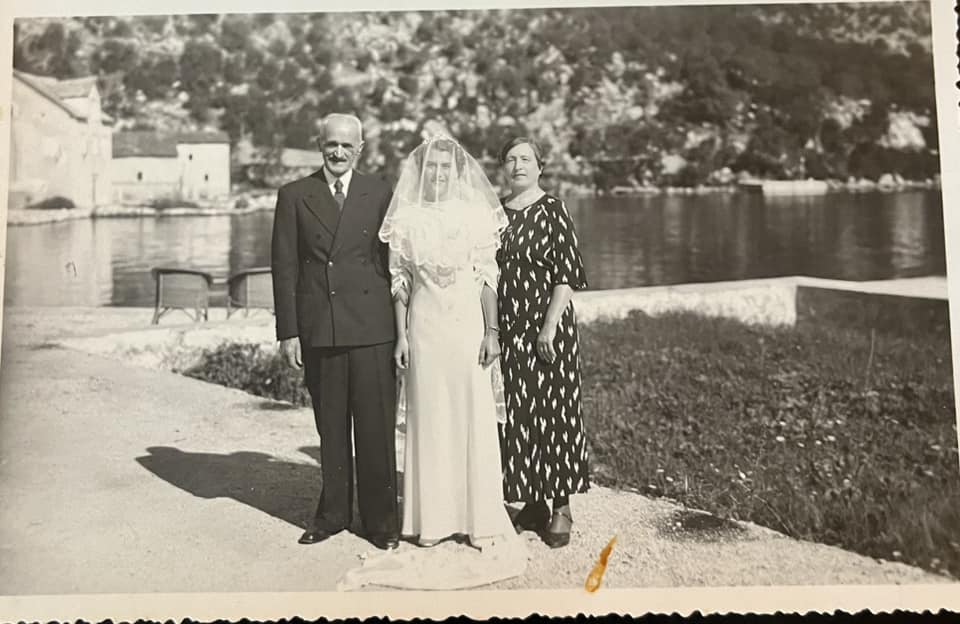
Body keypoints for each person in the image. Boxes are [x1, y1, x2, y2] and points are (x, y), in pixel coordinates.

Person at [335, 134, 526, 592]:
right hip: (424, 327)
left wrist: (492, 331)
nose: (438, 175)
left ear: (456, 172)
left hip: (465, 327)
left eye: (446, 168)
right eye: (431, 169)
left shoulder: (476, 214)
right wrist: (401, 336)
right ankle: (433, 520)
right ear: (421, 174)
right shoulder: (407, 219)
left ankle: (479, 518)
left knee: (472, 415)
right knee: (431, 419)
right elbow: (399, 280)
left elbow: (487, 277)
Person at [271, 113, 399, 551]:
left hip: (373, 328)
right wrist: (288, 333)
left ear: (360, 149)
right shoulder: (294, 195)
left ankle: (382, 522)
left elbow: (395, 264)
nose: (338, 152)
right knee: (331, 427)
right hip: (320, 329)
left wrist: (405, 330)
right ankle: (332, 515)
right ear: (319, 145)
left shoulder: (381, 192)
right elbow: (284, 268)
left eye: (347, 145)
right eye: (331, 144)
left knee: (376, 427)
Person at [495, 137, 589, 549]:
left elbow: (566, 275)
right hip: (510, 330)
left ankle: (561, 505)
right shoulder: (495, 213)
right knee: (520, 412)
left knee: (556, 410)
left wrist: (549, 326)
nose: (518, 165)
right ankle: (533, 501)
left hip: (548, 328)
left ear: (540, 167)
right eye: (511, 159)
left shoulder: (553, 210)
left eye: (526, 159)